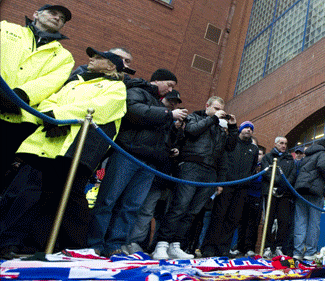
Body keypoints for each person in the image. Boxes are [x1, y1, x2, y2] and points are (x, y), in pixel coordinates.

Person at [0, 48, 126, 257]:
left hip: (80, 147)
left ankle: (77, 247)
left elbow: (100, 107)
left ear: (111, 66)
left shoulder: (116, 87)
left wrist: (59, 115)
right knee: (48, 194)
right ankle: (37, 244)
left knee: (72, 194)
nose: (92, 59)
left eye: (99, 57)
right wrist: (50, 116)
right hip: (51, 144)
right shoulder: (75, 81)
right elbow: (50, 101)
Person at [86, 69, 185, 256]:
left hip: (149, 162)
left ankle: (115, 244)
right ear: (156, 80)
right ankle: (95, 243)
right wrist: (168, 114)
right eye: (169, 85)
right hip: (127, 154)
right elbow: (135, 111)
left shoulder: (160, 107)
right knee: (108, 199)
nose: (170, 90)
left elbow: (162, 135)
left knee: (131, 206)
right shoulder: (137, 91)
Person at [152, 96, 237, 260]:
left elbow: (230, 147)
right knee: (179, 206)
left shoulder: (220, 128)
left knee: (193, 211)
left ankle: (176, 245)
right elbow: (192, 130)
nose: (219, 112)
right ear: (207, 106)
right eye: (216, 108)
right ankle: (161, 244)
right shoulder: (194, 117)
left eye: (221, 110)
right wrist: (213, 119)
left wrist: (233, 128)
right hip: (191, 165)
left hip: (210, 171)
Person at [0, 4, 75, 173]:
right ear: (36, 14)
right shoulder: (5, 29)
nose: (57, 18)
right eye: (53, 13)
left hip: (19, 119)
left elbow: (51, 82)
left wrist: (19, 96)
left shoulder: (64, 57)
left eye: (62, 19)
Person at [124, 89, 184, 254]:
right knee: (130, 205)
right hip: (142, 164)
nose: (173, 104)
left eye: (176, 103)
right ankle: (120, 241)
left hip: (160, 176)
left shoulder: (175, 128)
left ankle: (135, 243)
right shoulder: (154, 115)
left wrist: (175, 147)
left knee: (146, 211)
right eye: (170, 100)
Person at [200, 121, 259, 257]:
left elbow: (253, 167)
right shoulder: (231, 143)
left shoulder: (254, 149)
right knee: (218, 216)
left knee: (233, 219)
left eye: (251, 129)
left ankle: (223, 248)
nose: (248, 130)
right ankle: (208, 247)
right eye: (246, 128)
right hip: (226, 185)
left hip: (242, 188)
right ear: (240, 130)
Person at [293, 138, 325, 260]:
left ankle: (297, 252)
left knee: (300, 222)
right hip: (315, 192)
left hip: (301, 190)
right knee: (314, 223)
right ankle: (310, 252)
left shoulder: (307, 155)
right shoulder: (324, 153)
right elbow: (323, 166)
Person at [260, 136, 296, 258]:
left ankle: (279, 247)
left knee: (284, 221)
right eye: (281, 143)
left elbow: (292, 175)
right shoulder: (268, 157)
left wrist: (284, 186)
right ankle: (267, 247)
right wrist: (278, 182)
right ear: (275, 144)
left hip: (284, 194)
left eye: (285, 143)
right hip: (270, 193)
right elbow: (266, 172)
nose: (283, 145)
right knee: (268, 221)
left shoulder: (290, 159)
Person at [237, 144, 265, 256]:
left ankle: (250, 248)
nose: (258, 156)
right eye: (257, 154)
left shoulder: (264, 167)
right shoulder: (249, 165)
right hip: (245, 195)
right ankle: (239, 247)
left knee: (253, 224)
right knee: (242, 222)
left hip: (257, 197)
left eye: (260, 154)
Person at [69, 47, 135, 80]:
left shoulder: (132, 85)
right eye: (118, 58)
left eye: (127, 61)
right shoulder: (81, 72)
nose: (122, 62)